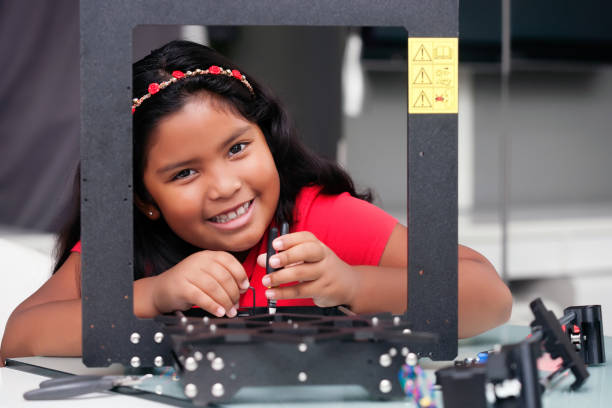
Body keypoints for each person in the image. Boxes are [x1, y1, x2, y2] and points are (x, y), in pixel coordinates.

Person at [0, 40, 512, 364]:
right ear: (144, 200)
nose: (224, 186)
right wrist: (154, 296)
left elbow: (489, 297)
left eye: (238, 148)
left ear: (268, 138)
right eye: (184, 173)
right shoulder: (126, 245)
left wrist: (356, 283)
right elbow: (20, 336)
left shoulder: (318, 217)